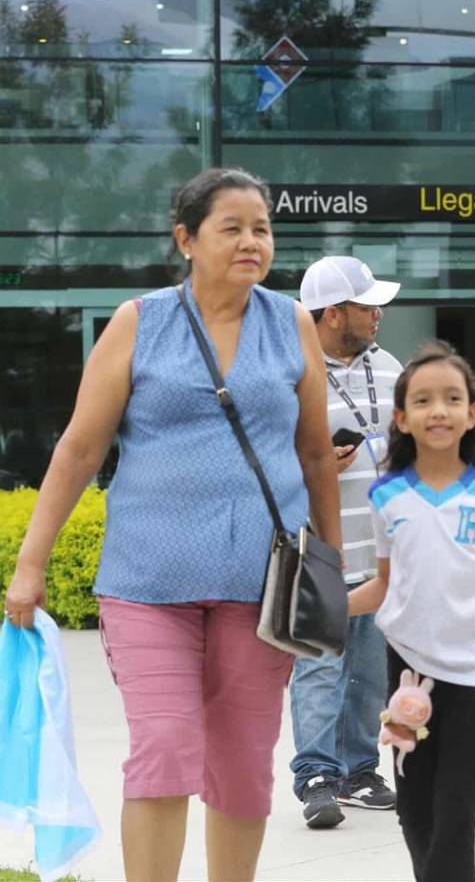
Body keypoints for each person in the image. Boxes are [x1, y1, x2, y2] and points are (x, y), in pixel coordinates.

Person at [2, 168, 340, 882]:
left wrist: (331, 563)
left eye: (262, 229)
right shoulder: (140, 321)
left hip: (262, 590)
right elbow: (80, 449)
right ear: (186, 239)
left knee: (243, 762)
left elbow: (314, 452)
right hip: (148, 585)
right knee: (164, 746)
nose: (252, 242)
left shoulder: (292, 323)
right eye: (232, 228)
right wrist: (31, 564)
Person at [347, 340, 475, 882]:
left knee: (455, 816)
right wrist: (324, 609)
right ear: (401, 418)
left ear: (473, 413)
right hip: (407, 674)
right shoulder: (386, 496)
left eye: (451, 398)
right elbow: (384, 584)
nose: (437, 411)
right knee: (415, 811)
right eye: (422, 401)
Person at [289, 256, 404, 828]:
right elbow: (267, 456)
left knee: (370, 669)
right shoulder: (292, 369)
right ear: (333, 314)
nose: (378, 314)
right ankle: (316, 776)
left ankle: (360, 771)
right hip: (317, 549)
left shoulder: (389, 367)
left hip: (383, 553)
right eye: (367, 306)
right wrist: (312, 466)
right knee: (318, 665)